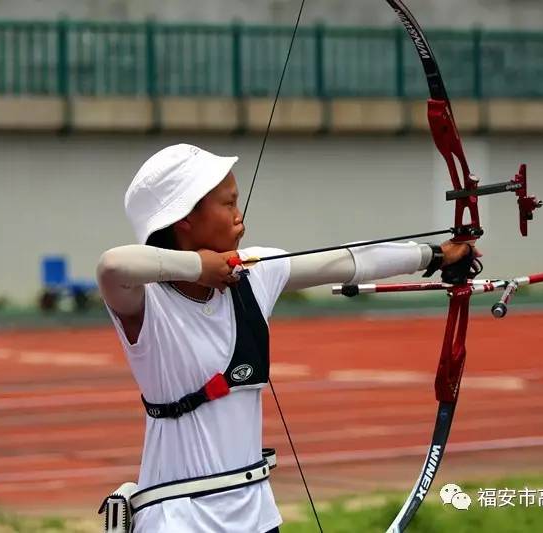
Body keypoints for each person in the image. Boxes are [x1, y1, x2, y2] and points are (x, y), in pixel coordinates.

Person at [96, 144, 474, 533]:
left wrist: (433, 255)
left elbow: (345, 261)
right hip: (178, 519)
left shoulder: (254, 274)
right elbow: (112, 265)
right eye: (227, 204)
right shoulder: (147, 302)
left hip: (257, 516)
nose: (239, 215)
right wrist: (199, 267)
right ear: (185, 219)